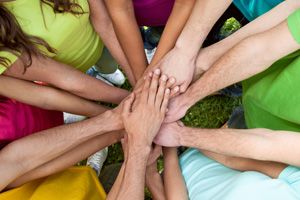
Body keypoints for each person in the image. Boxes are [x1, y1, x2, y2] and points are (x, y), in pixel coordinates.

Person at [153, 3, 300, 200]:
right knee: (242, 125)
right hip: (259, 101)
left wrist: (180, 136)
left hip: (276, 138)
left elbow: (271, 144)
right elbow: (262, 49)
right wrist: (187, 97)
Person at [104, 0, 196, 83]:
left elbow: (184, 4)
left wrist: (151, 72)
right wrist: (142, 78)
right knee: (140, 39)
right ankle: (148, 47)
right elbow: (121, 10)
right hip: (133, 18)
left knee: (155, 36)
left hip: (172, 17)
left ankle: (150, 47)